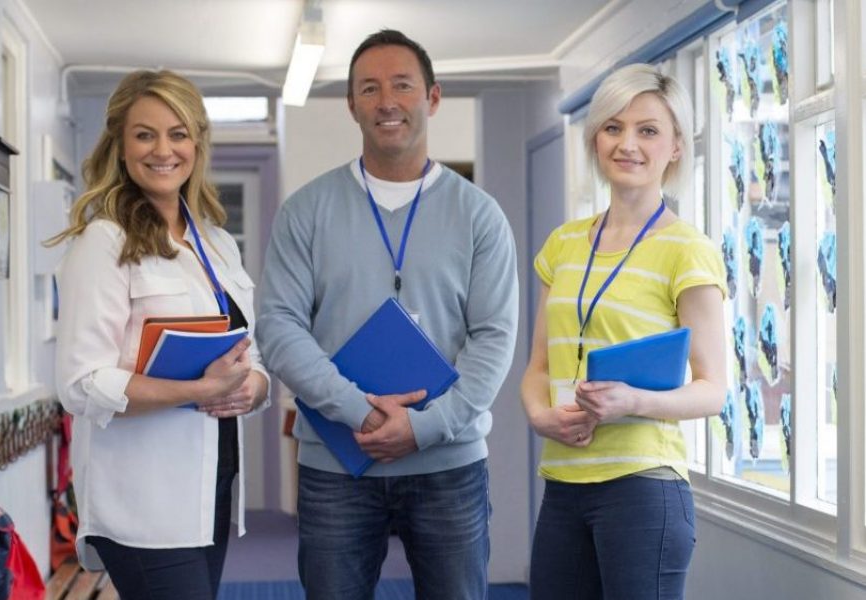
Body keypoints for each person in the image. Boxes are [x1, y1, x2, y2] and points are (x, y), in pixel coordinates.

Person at [257, 29, 518, 600]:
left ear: (433, 97)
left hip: (448, 464)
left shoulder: (479, 215)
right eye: (369, 89)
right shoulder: (307, 210)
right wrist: (359, 413)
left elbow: (494, 338)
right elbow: (278, 328)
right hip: (336, 464)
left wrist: (425, 427)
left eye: (402, 85)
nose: (386, 101)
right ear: (351, 105)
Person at [50, 70, 270, 600]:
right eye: (144, 134)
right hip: (143, 502)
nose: (163, 150)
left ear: (196, 142)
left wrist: (253, 387)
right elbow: (80, 383)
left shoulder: (216, 243)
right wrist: (199, 391)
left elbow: (249, 353)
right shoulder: (103, 243)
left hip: (208, 488)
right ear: (121, 148)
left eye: (177, 133)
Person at [521, 63, 727, 600]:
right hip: (564, 484)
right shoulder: (563, 245)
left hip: (643, 488)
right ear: (595, 139)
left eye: (648, 130)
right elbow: (539, 367)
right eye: (613, 127)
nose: (627, 143)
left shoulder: (687, 250)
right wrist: (542, 416)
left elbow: (713, 390)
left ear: (676, 146)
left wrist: (631, 400)